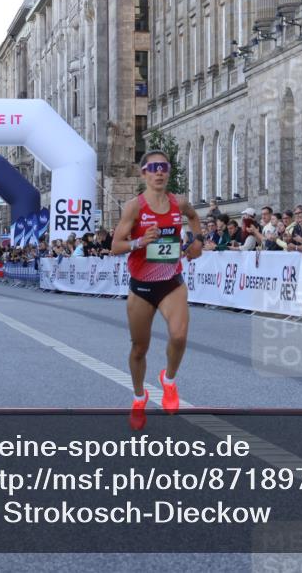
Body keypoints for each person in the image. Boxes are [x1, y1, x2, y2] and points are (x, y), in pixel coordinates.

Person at [111, 150, 203, 431]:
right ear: (144, 174)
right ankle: (139, 397)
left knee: (179, 335)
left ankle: (169, 382)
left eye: (164, 167)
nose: (159, 172)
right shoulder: (134, 208)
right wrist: (139, 241)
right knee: (140, 348)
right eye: (153, 168)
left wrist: (197, 241)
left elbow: (194, 219)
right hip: (141, 287)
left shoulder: (179, 203)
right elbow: (115, 246)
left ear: (168, 171)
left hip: (171, 280)